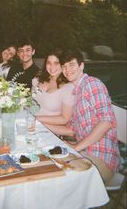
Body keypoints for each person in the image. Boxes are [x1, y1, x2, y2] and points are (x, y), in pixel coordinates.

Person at [48, 49, 120, 183]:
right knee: (48, 159)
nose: (67, 69)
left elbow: (107, 121)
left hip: (101, 158)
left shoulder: (92, 84)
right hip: (84, 151)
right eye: (64, 66)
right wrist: (41, 125)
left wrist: (76, 147)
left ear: (81, 66)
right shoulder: (76, 92)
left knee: (58, 176)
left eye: (71, 65)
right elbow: (72, 130)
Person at [33, 49, 74, 126]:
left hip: (49, 130)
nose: (52, 67)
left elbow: (64, 119)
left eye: (56, 63)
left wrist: (36, 119)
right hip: (30, 122)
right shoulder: (38, 78)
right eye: (49, 63)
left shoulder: (68, 88)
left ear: (63, 64)